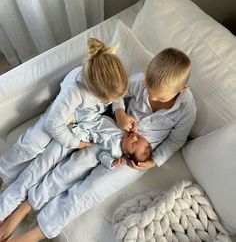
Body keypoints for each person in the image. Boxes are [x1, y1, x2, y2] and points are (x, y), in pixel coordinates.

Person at [3, 47, 197, 242]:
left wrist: (154, 161)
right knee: (69, 169)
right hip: (113, 130)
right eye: (149, 90)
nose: (152, 97)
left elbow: (175, 141)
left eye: (160, 97)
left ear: (182, 89)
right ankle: (24, 207)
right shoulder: (140, 81)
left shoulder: (187, 110)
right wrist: (120, 114)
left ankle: (36, 233)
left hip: (138, 155)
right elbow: (119, 94)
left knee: (91, 190)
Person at [0, 116, 151, 241]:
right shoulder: (117, 126)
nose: (134, 137)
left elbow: (103, 156)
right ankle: (7, 209)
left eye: (134, 144)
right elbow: (93, 119)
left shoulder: (117, 152)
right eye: (138, 137)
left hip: (80, 159)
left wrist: (111, 162)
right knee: (39, 168)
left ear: (127, 154)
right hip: (74, 136)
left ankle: (28, 205)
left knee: (58, 180)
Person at [0, 38, 128, 186]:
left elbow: (118, 95)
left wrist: (120, 111)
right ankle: (3, 171)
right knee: (34, 142)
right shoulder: (74, 91)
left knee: (57, 160)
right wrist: (75, 143)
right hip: (68, 115)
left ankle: (30, 180)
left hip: (88, 117)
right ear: (95, 92)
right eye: (108, 100)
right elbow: (53, 124)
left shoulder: (112, 79)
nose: (111, 102)